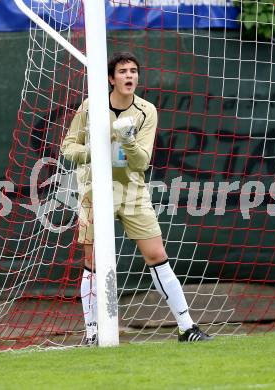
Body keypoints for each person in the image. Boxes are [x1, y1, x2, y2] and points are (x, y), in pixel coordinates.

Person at [60, 52, 212, 344]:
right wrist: (94, 152)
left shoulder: (146, 111)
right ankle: (92, 334)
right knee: (92, 261)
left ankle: (186, 327)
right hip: (94, 192)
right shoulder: (91, 107)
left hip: (132, 191)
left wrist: (127, 139)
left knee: (156, 255)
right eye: (123, 71)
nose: (130, 76)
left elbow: (141, 162)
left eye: (133, 71)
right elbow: (68, 147)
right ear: (110, 78)